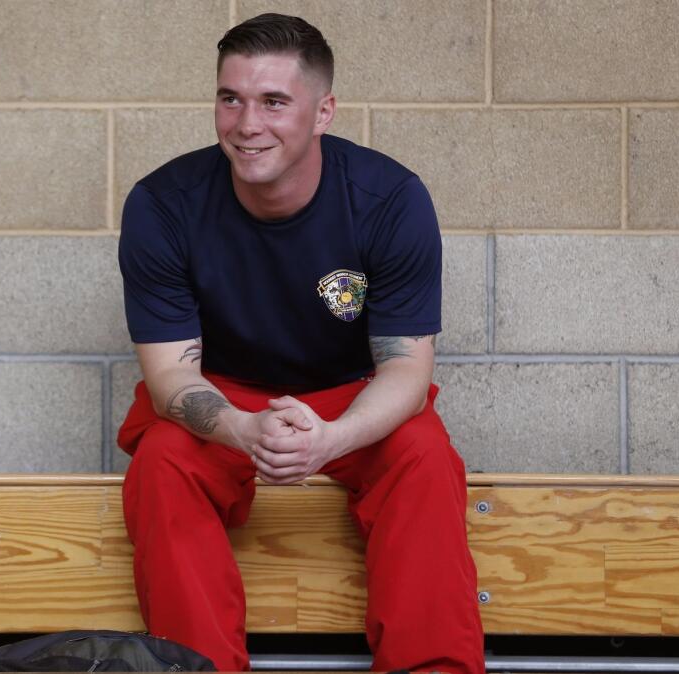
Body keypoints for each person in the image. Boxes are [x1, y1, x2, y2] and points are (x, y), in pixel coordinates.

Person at [116, 13, 485, 674]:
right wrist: (244, 429)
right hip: (223, 396)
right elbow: (172, 379)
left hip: (352, 399)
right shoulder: (163, 204)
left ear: (323, 112)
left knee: (424, 454)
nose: (246, 123)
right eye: (231, 98)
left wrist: (330, 440)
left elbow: (405, 369)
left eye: (273, 102)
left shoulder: (389, 200)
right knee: (163, 459)